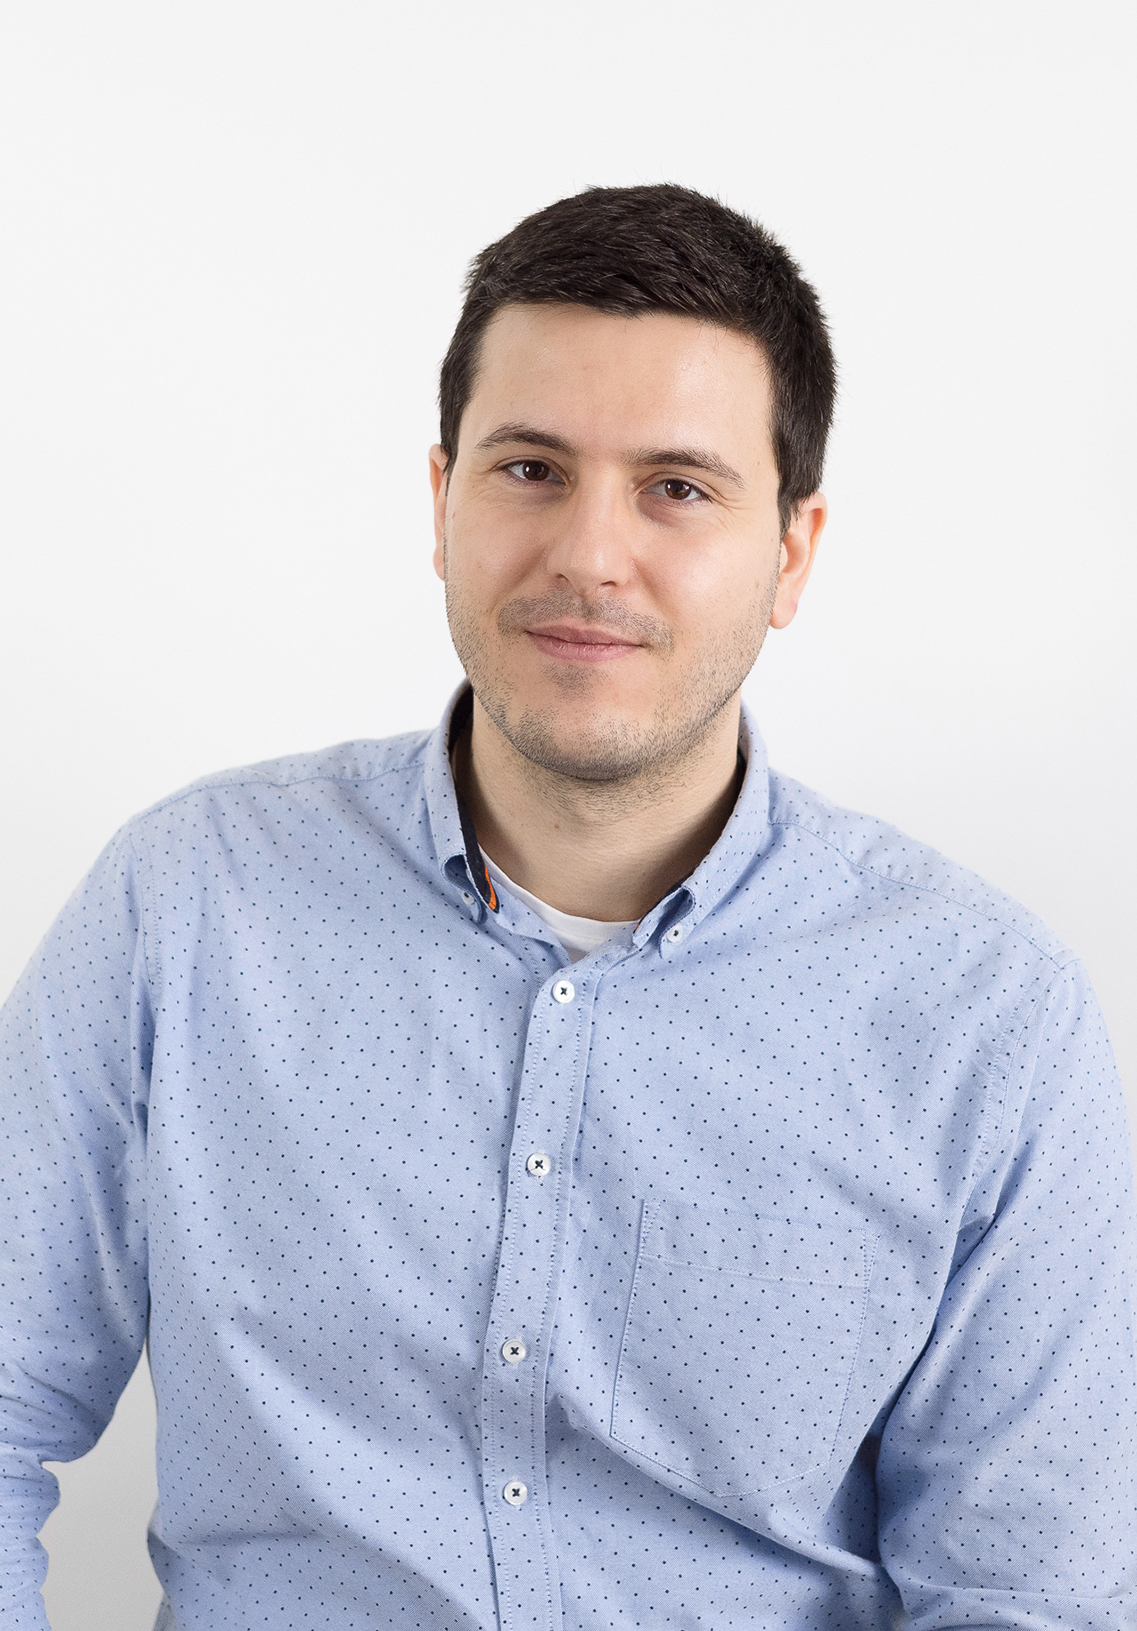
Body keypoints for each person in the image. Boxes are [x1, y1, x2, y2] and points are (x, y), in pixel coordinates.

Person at [1, 184, 1133, 1631]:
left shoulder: (988, 1019)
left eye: (678, 487)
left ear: (790, 551)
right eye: (531, 468)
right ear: (442, 502)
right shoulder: (186, 905)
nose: (590, 556)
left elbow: (1030, 1597)